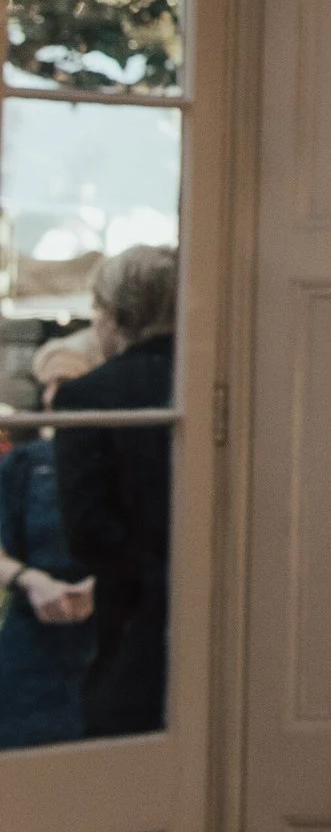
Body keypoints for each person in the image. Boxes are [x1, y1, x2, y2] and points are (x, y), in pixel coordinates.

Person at [52, 244, 178, 740]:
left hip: (134, 623)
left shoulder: (90, 395)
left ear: (115, 316)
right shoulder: (224, 378)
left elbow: (87, 532)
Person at [0, 346, 99, 746]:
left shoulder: (122, 457)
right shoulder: (22, 465)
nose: (56, 393)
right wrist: (32, 580)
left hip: (107, 636)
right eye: (50, 383)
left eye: (69, 381)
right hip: (31, 641)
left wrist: (102, 586)